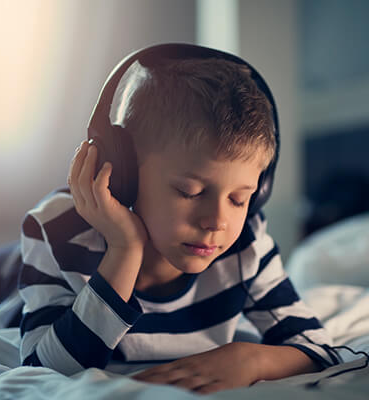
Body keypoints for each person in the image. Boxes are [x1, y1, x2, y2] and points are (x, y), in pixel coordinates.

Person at [17, 44, 340, 394]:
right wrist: (125, 249)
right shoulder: (56, 231)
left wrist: (251, 359)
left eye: (239, 198)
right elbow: (43, 370)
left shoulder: (247, 246)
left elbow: (321, 349)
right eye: (190, 192)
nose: (216, 221)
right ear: (126, 176)